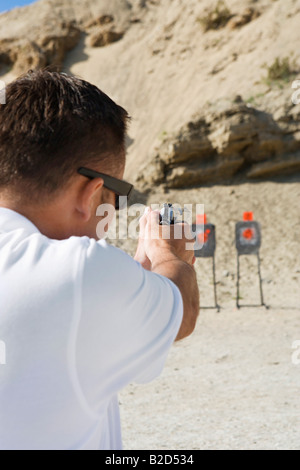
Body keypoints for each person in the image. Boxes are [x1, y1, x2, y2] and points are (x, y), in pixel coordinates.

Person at [0, 70, 199, 450]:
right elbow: (182, 313)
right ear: (90, 193)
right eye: (117, 194)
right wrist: (169, 253)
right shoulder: (80, 271)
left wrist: (137, 277)